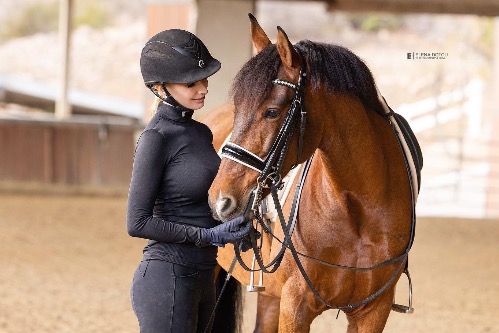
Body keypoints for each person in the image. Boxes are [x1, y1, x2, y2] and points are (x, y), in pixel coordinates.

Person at [127, 29, 250, 333]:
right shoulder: (155, 139)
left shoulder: (201, 133)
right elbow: (137, 223)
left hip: (204, 277)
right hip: (167, 278)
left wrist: (235, 228)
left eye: (204, 79)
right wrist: (209, 237)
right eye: (191, 82)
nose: (203, 88)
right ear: (159, 87)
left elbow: (202, 202)